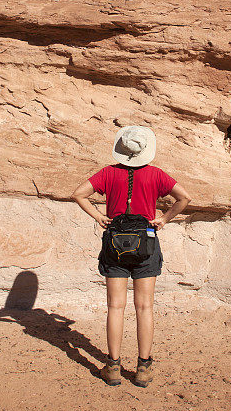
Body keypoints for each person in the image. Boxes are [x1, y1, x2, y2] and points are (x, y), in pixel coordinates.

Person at [71, 125, 192, 387]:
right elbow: (184, 198)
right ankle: (143, 368)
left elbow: (78, 194)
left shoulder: (107, 173)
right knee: (144, 307)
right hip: (145, 243)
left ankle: (113, 367)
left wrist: (100, 217)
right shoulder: (156, 174)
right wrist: (163, 219)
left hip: (114, 242)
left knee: (115, 306)